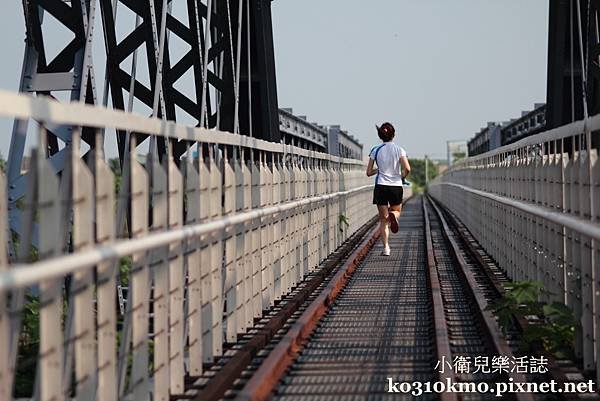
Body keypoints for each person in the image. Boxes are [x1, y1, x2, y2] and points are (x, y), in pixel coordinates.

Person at [366, 122, 411, 256]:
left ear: (380, 136)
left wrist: (379, 169)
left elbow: (368, 172)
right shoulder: (399, 150)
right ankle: (394, 215)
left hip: (381, 186)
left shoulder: (375, 150)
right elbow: (407, 168)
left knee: (383, 220)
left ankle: (386, 248)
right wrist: (401, 177)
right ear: (394, 134)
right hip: (396, 186)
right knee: (396, 211)